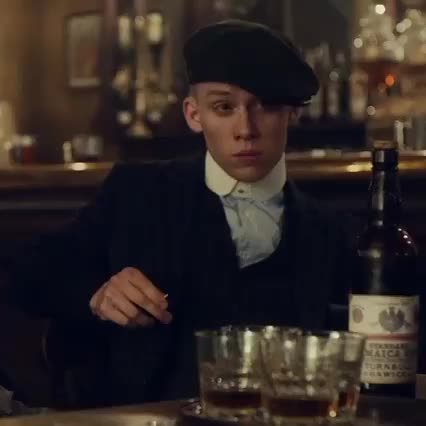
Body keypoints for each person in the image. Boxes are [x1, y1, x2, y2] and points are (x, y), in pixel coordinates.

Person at [5, 20, 353, 408]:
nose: (246, 129)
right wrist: (97, 293)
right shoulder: (137, 193)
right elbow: (25, 273)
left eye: (267, 106)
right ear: (194, 114)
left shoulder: (331, 231)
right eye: (224, 107)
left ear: (293, 114)